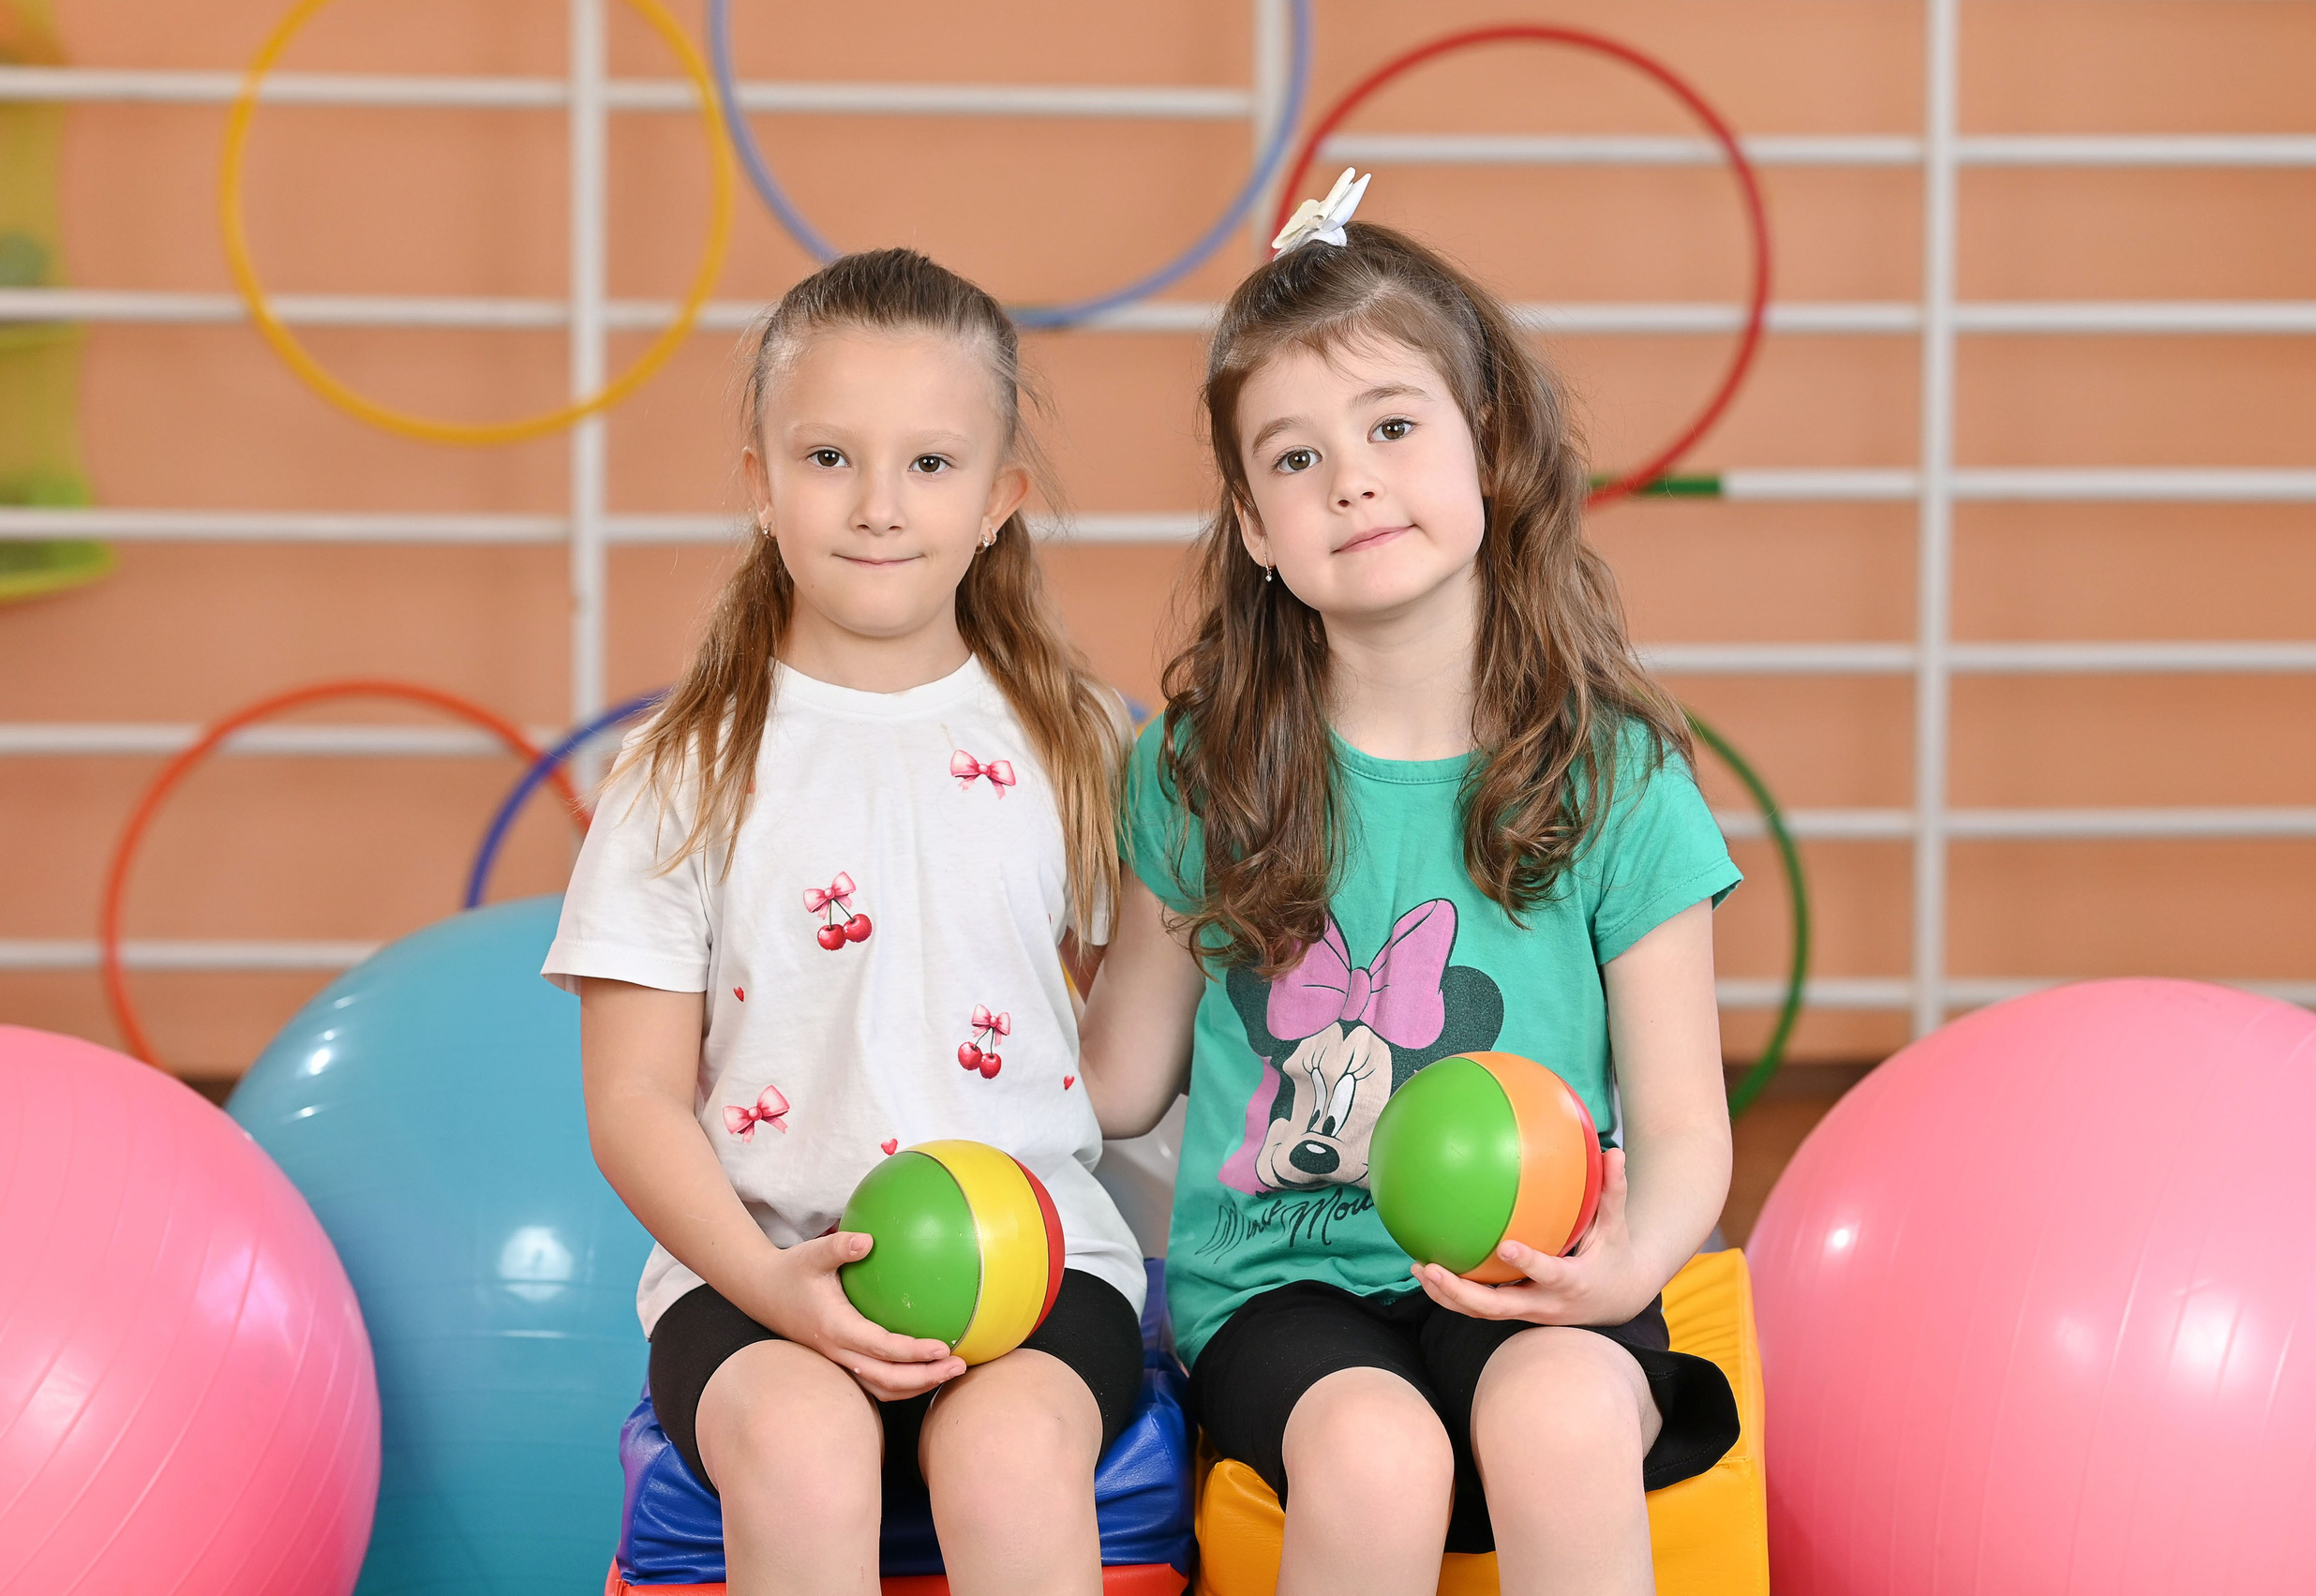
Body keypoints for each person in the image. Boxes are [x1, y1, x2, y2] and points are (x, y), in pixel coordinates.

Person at [1080, 176, 1743, 1596]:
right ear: (1255, 528)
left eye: (1391, 427)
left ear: (1488, 447)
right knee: (1377, 1458)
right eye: (1295, 459)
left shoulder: (1618, 780)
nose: (1353, 479)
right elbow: (1118, 1082)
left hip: (1539, 1268)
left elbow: (1687, 1126)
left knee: (1562, 1419)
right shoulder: (1200, 770)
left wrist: (1618, 1281)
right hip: (1285, 1286)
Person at [553, 247, 1143, 1596]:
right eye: (829, 459)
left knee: (1007, 1464)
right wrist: (772, 1291)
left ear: (1002, 501)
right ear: (761, 481)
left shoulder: (1080, 749)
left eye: (931, 466)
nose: (880, 506)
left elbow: (1117, 1054)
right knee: (808, 1453)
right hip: (754, 1275)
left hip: (1040, 1267)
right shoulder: (682, 766)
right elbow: (634, 1099)